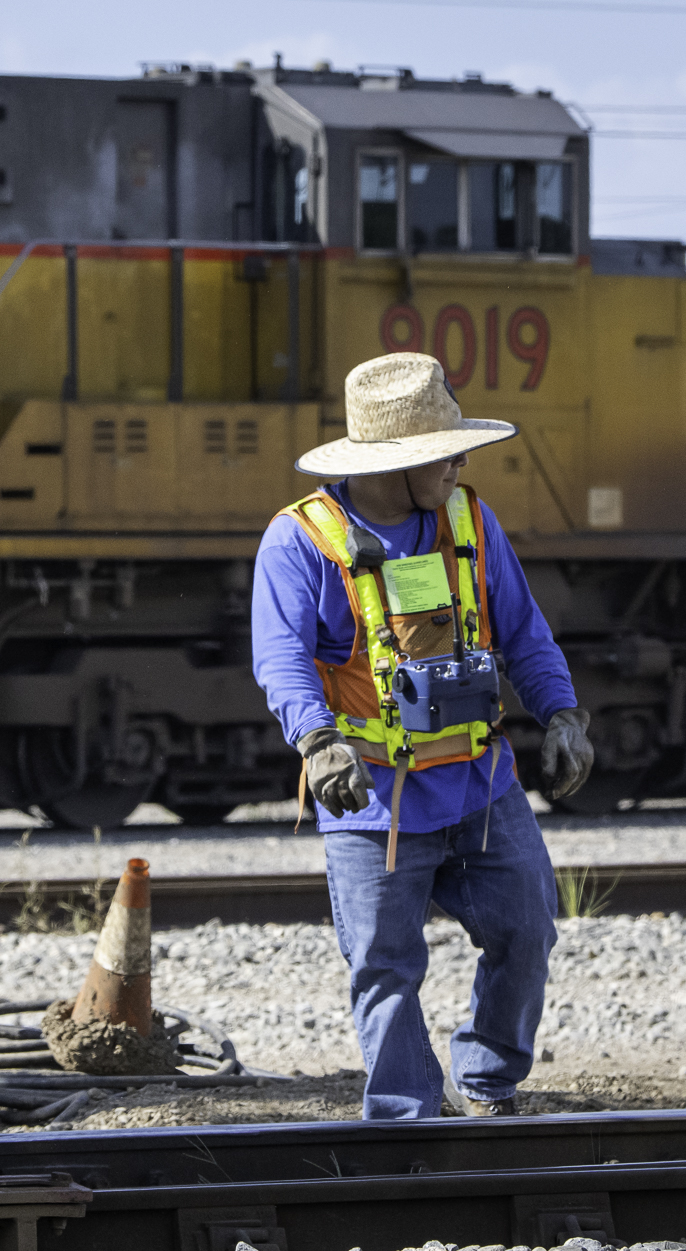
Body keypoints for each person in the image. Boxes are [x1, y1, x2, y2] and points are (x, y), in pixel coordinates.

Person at [251, 352, 594, 1119]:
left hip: (480, 785)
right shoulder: (301, 541)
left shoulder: (469, 520)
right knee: (383, 967)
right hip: (372, 800)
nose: (461, 462)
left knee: (527, 930)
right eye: (444, 451)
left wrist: (562, 711)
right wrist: (317, 740)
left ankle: (486, 1080)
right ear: (393, 463)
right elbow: (279, 660)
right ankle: (407, 1119)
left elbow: (523, 632)